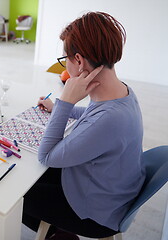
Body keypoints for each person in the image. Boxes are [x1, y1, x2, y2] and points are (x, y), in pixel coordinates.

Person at [22, 12, 146, 239]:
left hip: (97, 214)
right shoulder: (122, 92)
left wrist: (65, 102)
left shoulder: (109, 121)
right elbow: (94, 115)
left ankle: (58, 233)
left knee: (17, 195)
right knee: (32, 177)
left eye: (64, 59)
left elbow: (46, 155)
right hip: (111, 190)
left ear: (78, 61)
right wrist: (57, 109)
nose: (65, 64)